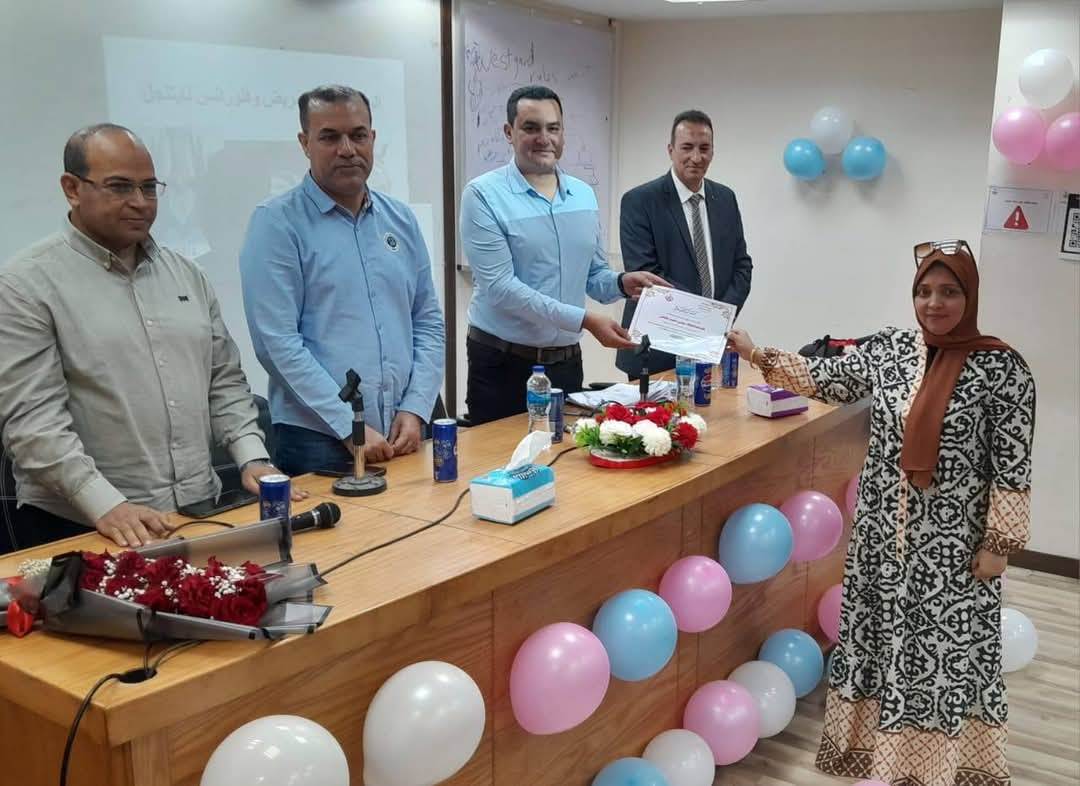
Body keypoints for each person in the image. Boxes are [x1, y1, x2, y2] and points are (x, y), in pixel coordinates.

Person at [727, 239, 1035, 786]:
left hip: (952, 546)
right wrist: (756, 353)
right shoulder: (891, 350)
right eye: (924, 291)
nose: (934, 303)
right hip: (882, 535)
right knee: (882, 638)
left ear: (970, 296)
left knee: (939, 653)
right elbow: (823, 378)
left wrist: (998, 545)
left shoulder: (1002, 368)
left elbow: (1012, 464)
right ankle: (879, 754)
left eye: (949, 291)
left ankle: (933, 765)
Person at [0, 124, 296, 549]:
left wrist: (253, 459)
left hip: (196, 510)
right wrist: (106, 505)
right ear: (72, 188)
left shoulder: (187, 274)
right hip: (85, 526)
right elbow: (33, 424)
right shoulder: (25, 285)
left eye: (149, 188)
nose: (140, 202)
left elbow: (225, 381)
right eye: (120, 187)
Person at [240, 85, 445, 476]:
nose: (347, 149)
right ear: (305, 143)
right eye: (330, 137)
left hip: (406, 426)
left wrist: (417, 406)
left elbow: (428, 321)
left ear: (373, 139)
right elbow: (277, 342)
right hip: (319, 438)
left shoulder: (400, 219)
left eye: (358, 135)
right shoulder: (277, 224)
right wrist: (348, 424)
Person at [460, 85, 667, 424]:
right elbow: (501, 288)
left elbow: (594, 275)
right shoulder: (483, 195)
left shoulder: (582, 194)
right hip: (502, 365)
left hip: (566, 364)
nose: (544, 138)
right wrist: (585, 320)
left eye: (553, 128)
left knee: (567, 454)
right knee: (499, 456)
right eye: (531, 128)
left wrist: (621, 282)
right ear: (509, 132)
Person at [616, 109, 752, 379]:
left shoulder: (725, 198)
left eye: (704, 148)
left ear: (713, 151)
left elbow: (742, 266)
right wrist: (705, 319)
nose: (696, 157)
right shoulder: (640, 201)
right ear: (671, 150)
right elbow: (647, 275)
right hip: (656, 349)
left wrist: (719, 319)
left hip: (711, 344)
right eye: (687, 147)